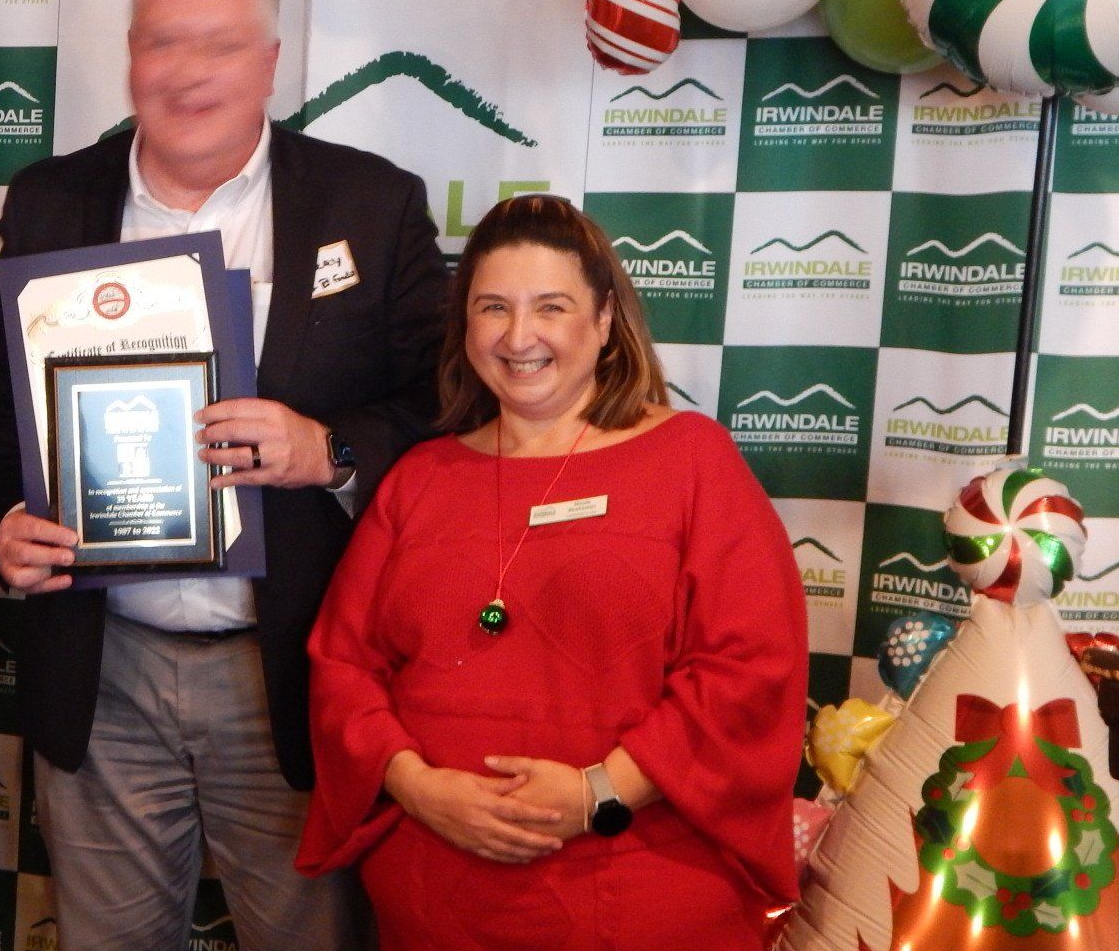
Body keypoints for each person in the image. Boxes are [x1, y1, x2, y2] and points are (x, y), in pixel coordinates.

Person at [0, 0, 449, 951]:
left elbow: (448, 409)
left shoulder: (372, 204)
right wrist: (8, 520)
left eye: (221, 46)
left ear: (273, 61)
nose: (188, 74)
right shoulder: (51, 200)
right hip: (103, 670)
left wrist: (329, 448)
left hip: (294, 670)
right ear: (129, 54)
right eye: (163, 43)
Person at [297, 194, 807, 950]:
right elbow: (344, 666)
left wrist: (596, 792)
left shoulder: (692, 460)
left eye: (552, 306)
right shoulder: (420, 478)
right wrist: (416, 784)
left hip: (637, 893)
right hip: (436, 902)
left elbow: (749, 666)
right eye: (492, 307)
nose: (519, 335)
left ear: (604, 323)